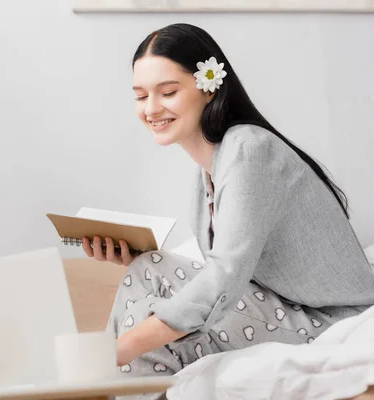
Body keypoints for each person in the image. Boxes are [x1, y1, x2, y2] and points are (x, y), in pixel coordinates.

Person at [81, 22, 374, 395]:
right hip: (284, 309)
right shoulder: (210, 170)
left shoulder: (249, 149)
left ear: (209, 86)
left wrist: (116, 352)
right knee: (148, 267)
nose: (151, 109)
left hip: (328, 322)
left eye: (167, 92)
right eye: (140, 96)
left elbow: (225, 276)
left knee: (151, 283)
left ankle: (101, 382)